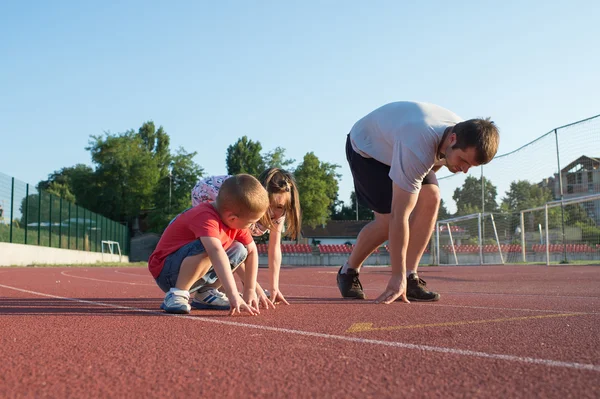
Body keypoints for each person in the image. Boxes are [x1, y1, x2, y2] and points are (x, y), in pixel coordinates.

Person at [338, 101, 500, 304]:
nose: (465, 169)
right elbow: (400, 216)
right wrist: (395, 278)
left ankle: (410, 276)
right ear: (452, 139)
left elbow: (431, 167)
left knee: (431, 197)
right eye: (463, 161)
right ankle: (348, 271)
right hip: (368, 150)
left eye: (471, 166)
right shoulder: (418, 142)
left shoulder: (462, 134)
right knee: (388, 221)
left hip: (403, 142)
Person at [148, 174, 271, 315]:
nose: (252, 226)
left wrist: (249, 289)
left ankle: (205, 293)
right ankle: (177, 294)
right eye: (251, 222)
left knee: (239, 249)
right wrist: (233, 294)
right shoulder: (205, 216)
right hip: (168, 273)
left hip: (194, 273)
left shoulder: (234, 222)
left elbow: (252, 252)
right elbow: (216, 252)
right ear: (232, 217)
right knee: (209, 246)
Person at [189, 168, 301, 310]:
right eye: (270, 205)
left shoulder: (281, 210)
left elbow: (274, 248)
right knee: (224, 245)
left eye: (279, 207)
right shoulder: (246, 206)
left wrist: (274, 288)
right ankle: (208, 290)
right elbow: (239, 253)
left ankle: (220, 288)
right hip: (207, 192)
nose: (274, 212)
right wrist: (254, 288)